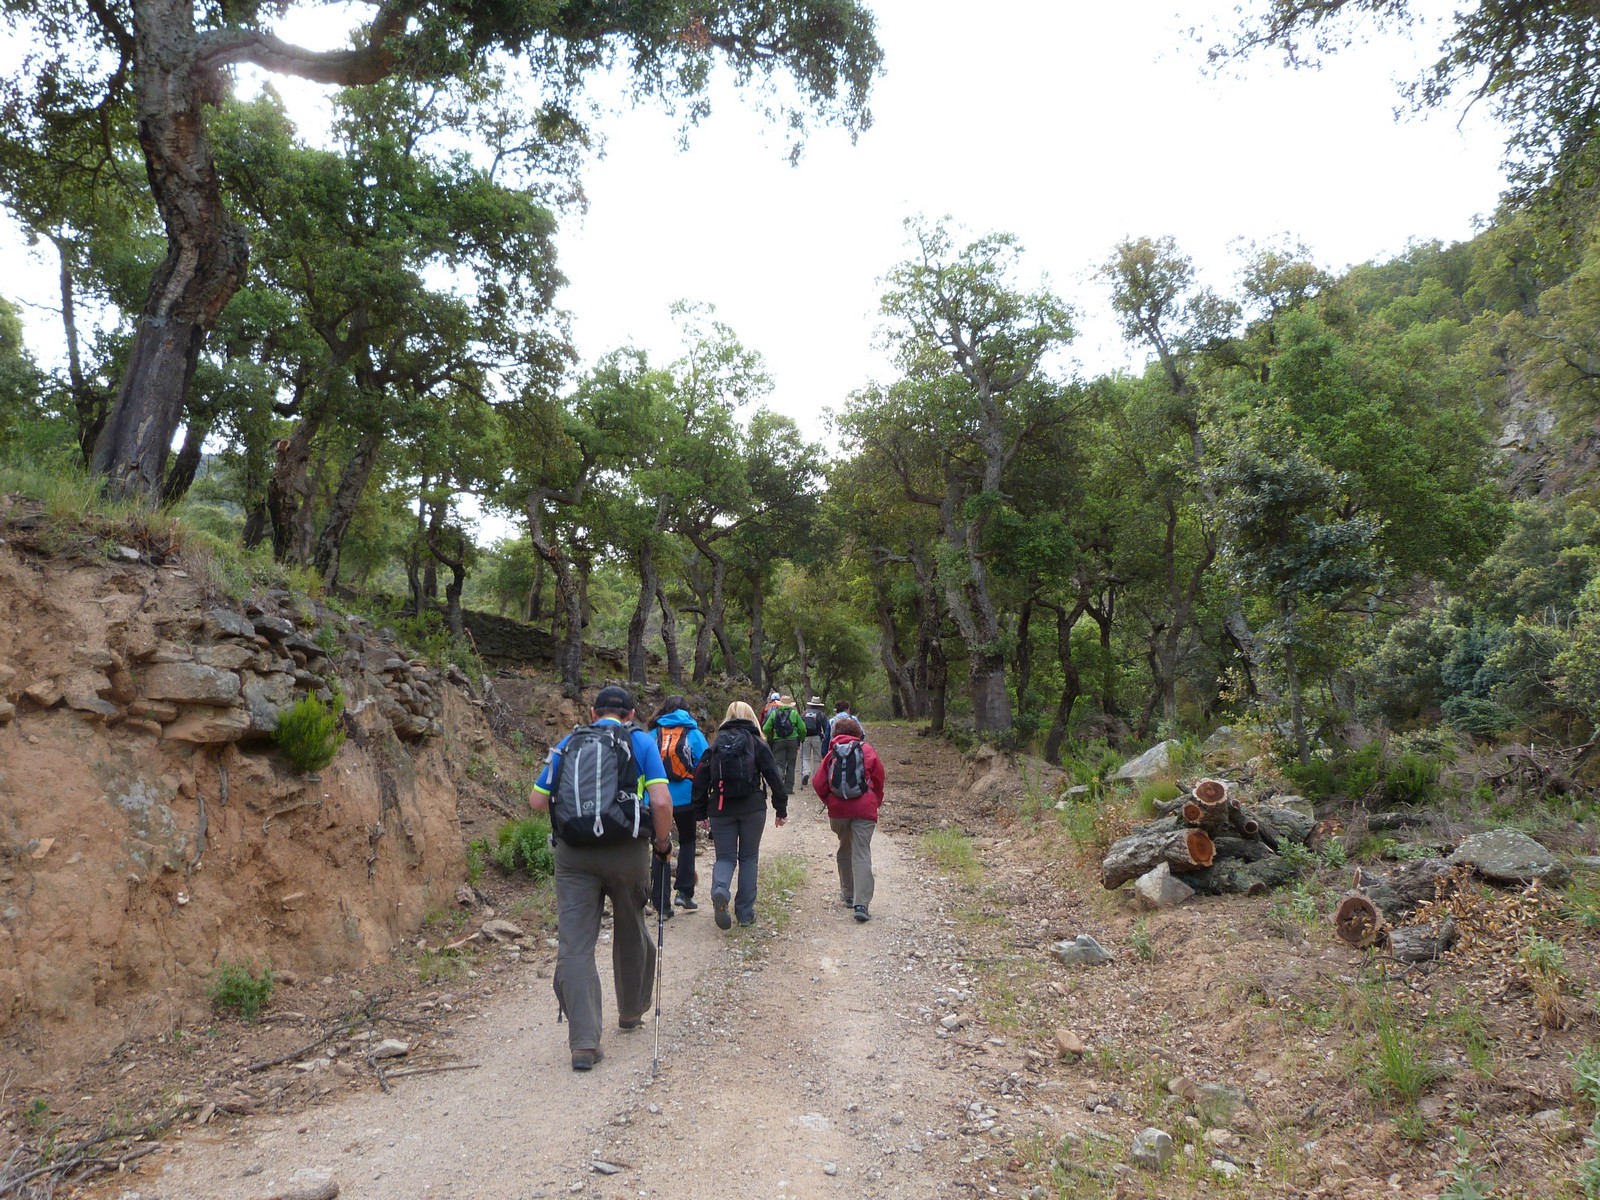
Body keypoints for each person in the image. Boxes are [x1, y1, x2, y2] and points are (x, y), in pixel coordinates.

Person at [529, 685, 673, 1071]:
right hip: (626, 850)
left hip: (573, 854)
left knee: (575, 945)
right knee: (631, 927)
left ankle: (584, 1043)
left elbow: (537, 800)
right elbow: (661, 801)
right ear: (631, 715)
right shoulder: (641, 742)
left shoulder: (569, 742)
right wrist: (662, 843)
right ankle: (631, 1011)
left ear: (593, 713)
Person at [690, 700, 788, 930]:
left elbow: (700, 779)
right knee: (748, 858)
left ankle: (720, 890)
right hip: (753, 808)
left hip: (721, 809)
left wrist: (701, 812)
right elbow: (774, 777)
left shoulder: (716, 744)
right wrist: (780, 809)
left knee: (725, 858)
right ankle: (745, 914)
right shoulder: (757, 743)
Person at [812, 715, 885, 923]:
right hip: (864, 810)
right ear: (857, 733)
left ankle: (848, 894)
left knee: (845, 849)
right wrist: (875, 801)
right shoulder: (867, 750)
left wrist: (830, 800)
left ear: (836, 734)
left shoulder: (832, 753)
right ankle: (861, 904)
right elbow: (879, 778)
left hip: (838, 811)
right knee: (861, 852)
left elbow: (818, 782)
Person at [645, 695, 707, 914]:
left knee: (660, 844)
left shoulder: (653, 734)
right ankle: (684, 892)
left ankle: (661, 904)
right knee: (688, 840)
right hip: (686, 798)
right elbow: (704, 764)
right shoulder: (693, 733)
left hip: (656, 798)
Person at [761, 693, 805, 793]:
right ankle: (788, 788)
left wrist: (770, 737)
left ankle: (779, 787)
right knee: (791, 764)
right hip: (792, 741)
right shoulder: (794, 713)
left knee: (779, 764)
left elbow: (766, 728)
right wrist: (801, 738)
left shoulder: (774, 713)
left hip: (778, 741)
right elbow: (802, 728)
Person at [799, 695, 831, 787]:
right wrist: (825, 739)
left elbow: (800, 726)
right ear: (819, 705)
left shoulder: (804, 713)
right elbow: (826, 727)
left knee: (805, 757)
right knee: (817, 758)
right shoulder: (821, 714)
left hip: (806, 738)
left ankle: (806, 773)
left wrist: (800, 738)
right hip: (817, 737)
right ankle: (816, 777)